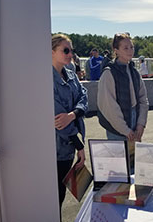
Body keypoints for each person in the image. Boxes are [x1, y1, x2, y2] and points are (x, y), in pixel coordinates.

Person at [97, 33, 149, 171]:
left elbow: (143, 100)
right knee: (119, 170)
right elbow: (109, 106)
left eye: (131, 47)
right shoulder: (109, 73)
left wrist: (140, 124)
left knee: (134, 167)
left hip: (134, 122)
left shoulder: (134, 72)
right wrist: (125, 130)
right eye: (125, 47)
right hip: (117, 127)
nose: (130, 50)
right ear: (116, 50)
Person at [51, 34, 88, 219]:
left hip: (68, 149)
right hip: (53, 148)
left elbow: (84, 98)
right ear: (52, 52)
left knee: (61, 194)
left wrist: (73, 114)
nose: (70, 54)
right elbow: (58, 120)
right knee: (53, 196)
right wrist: (79, 145)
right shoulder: (45, 79)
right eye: (65, 50)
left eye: (71, 50)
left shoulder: (71, 74)